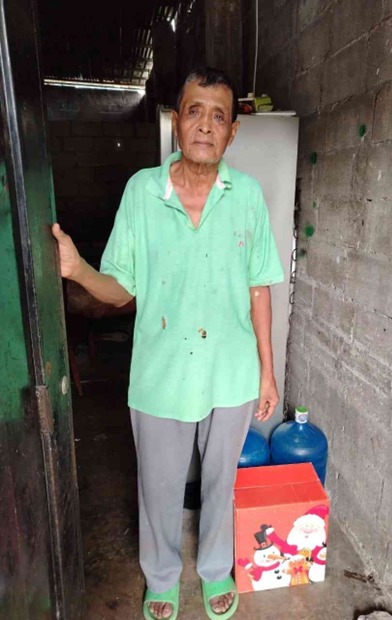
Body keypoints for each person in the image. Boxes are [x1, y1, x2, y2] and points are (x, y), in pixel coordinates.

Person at [52, 66, 284, 620]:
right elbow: (121, 288)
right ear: (177, 122)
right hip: (161, 372)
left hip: (230, 369)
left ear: (232, 133)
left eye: (219, 116)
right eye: (195, 111)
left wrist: (266, 372)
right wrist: (79, 271)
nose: (205, 125)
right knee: (158, 486)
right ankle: (160, 576)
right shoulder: (142, 191)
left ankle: (215, 569)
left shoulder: (248, 197)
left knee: (221, 481)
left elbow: (259, 289)